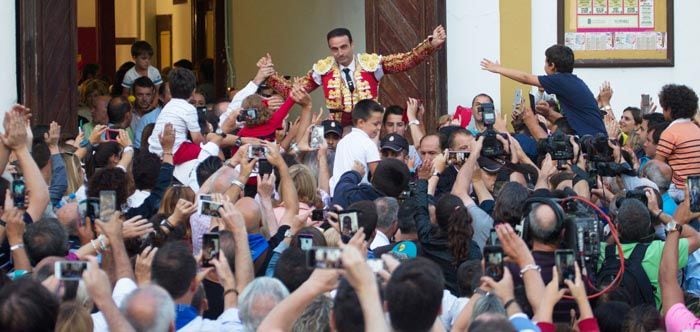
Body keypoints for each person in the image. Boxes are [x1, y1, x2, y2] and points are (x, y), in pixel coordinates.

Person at [265, 26, 446, 126]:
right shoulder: (323, 69)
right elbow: (295, 90)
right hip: (337, 131)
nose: (340, 53)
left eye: (343, 47)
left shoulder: (371, 64)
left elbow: (406, 61)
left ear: (352, 44)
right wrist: (269, 76)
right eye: (334, 49)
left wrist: (430, 45)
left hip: (369, 128)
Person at [481, 44, 607, 137]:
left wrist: (498, 69)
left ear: (552, 65)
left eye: (546, 62)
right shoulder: (573, 81)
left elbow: (526, 78)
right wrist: (548, 113)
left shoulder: (560, 80)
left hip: (591, 140)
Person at [147, 67, 203, 164]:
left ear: (171, 91)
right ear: (193, 92)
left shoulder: (167, 106)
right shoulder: (189, 108)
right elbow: (197, 139)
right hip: (174, 152)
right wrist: (207, 141)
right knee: (204, 151)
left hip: (154, 152)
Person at [655, 84, 700, 202]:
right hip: (696, 188)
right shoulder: (696, 129)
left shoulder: (670, 133)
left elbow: (657, 166)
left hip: (679, 190)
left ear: (669, 109)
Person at [329, 99, 383, 194]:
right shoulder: (368, 144)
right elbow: (378, 176)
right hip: (357, 197)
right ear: (361, 122)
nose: (379, 128)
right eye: (375, 124)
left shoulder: (343, 141)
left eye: (380, 124)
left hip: (336, 195)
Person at [130, 77, 162, 149]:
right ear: (133, 95)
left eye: (148, 95)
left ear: (153, 95)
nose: (144, 99)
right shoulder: (128, 114)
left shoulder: (159, 115)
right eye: (140, 95)